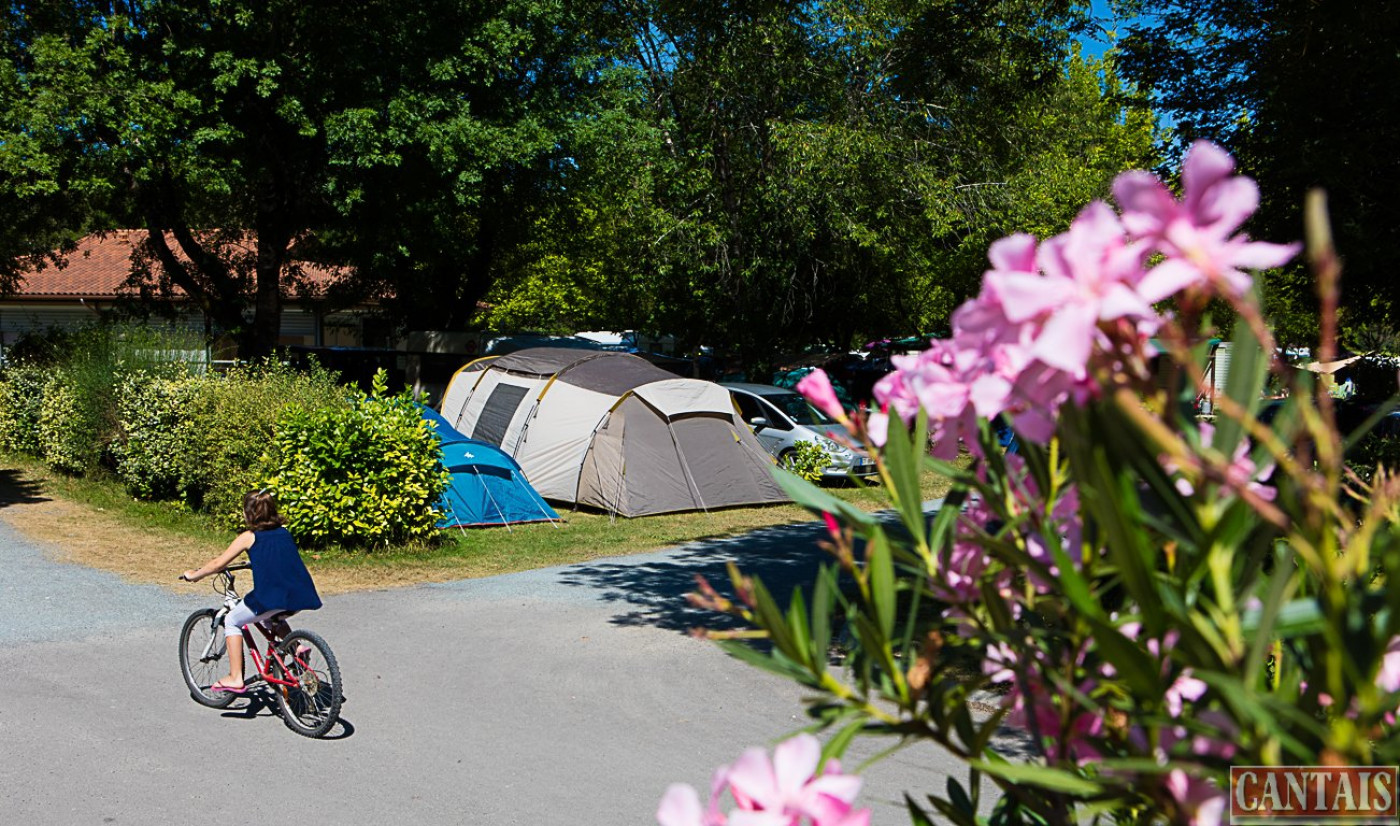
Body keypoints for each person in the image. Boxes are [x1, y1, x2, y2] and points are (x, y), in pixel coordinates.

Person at [181, 490, 321, 693]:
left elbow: (218, 563)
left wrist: (194, 575)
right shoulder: (284, 531)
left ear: (248, 514)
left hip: (271, 598)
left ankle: (235, 677)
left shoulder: (249, 537)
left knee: (232, 621)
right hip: (300, 595)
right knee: (269, 618)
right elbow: (276, 558)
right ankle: (296, 647)